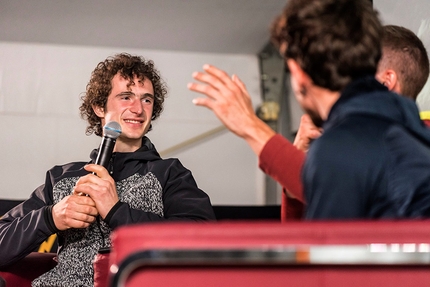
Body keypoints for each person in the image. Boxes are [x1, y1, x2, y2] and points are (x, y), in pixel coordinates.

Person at [188, 0, 430, 219]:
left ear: (298, 72)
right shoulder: (410, 131)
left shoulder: (347, 144)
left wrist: (250, 125)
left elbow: (327, 259)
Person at [0, 53, 215, 286]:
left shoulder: (169, 173)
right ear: (99, 107)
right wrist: (51, 217)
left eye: (146, 100)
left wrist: (116, 211)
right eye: (126, 97)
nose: (138, 109)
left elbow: (202, 239)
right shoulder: (62, 178)